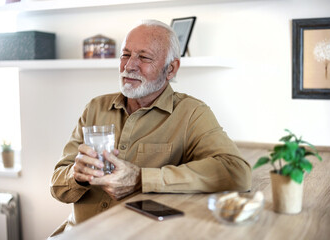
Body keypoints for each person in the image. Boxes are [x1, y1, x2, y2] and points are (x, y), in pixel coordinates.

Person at [49, 19, 251, 236]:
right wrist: (76, 176)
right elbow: (58, 189)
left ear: (171, 69)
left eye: (143, 57)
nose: (129, 66)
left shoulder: (192, 113)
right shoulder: (96, 107)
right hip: (77, 233)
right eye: (125, 54)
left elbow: (237, 172)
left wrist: (140, 179)